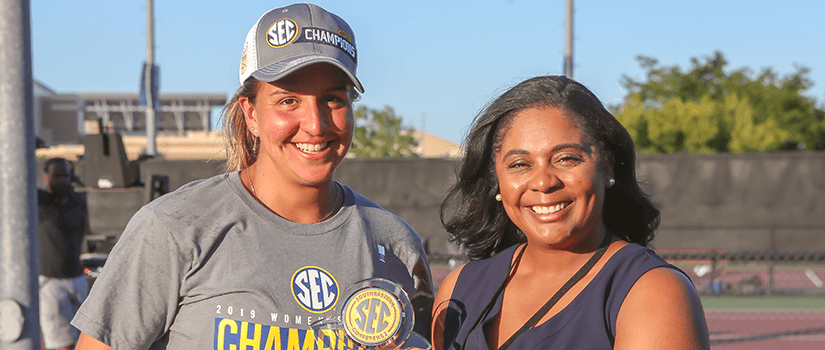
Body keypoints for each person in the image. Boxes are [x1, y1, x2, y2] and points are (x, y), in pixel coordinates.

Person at [71, 3, 432, 349]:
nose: (315, 124)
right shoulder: (173, 228)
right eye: (288, 101)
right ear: (252, 113)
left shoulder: (395, 244)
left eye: (333, 100)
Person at [432, 76, 710, 350]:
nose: (543, 182)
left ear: (608, 167)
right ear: (498, 181)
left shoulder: (652, 290)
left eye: (566, 158)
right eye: (519, 164)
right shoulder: (459, 288)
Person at [38, 157, 90, 350]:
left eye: (65, 176)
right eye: (56, 175)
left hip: (77, 278)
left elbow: (83, 231)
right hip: (50, 282)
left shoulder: (78, 200)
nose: (62, 180)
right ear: (46, 177)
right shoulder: (40, 201)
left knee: (86, 340)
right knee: (62, 344)